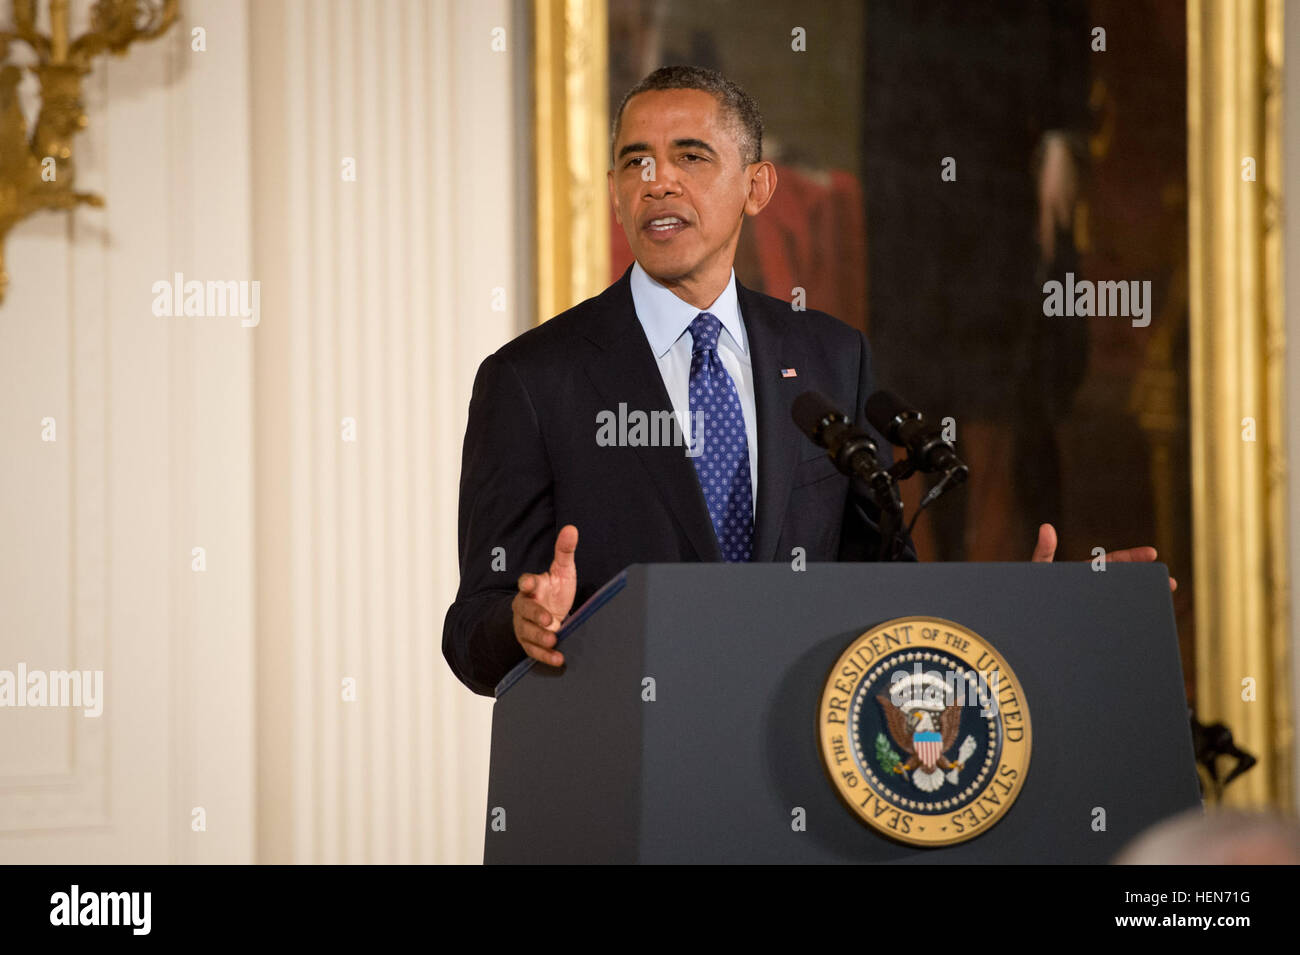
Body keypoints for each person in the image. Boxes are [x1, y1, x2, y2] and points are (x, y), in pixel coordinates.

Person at [441, 66, 1170, 697]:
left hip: (803, 774)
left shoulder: (830, 356)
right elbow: (469, 628)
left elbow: (885, 590)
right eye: (634, 163)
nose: (656, 181)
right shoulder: (532, 380)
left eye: (689, 156)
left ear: (757, 187)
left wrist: (1020, 614)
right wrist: (522, 621)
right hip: (628, 780)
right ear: (613, 191)